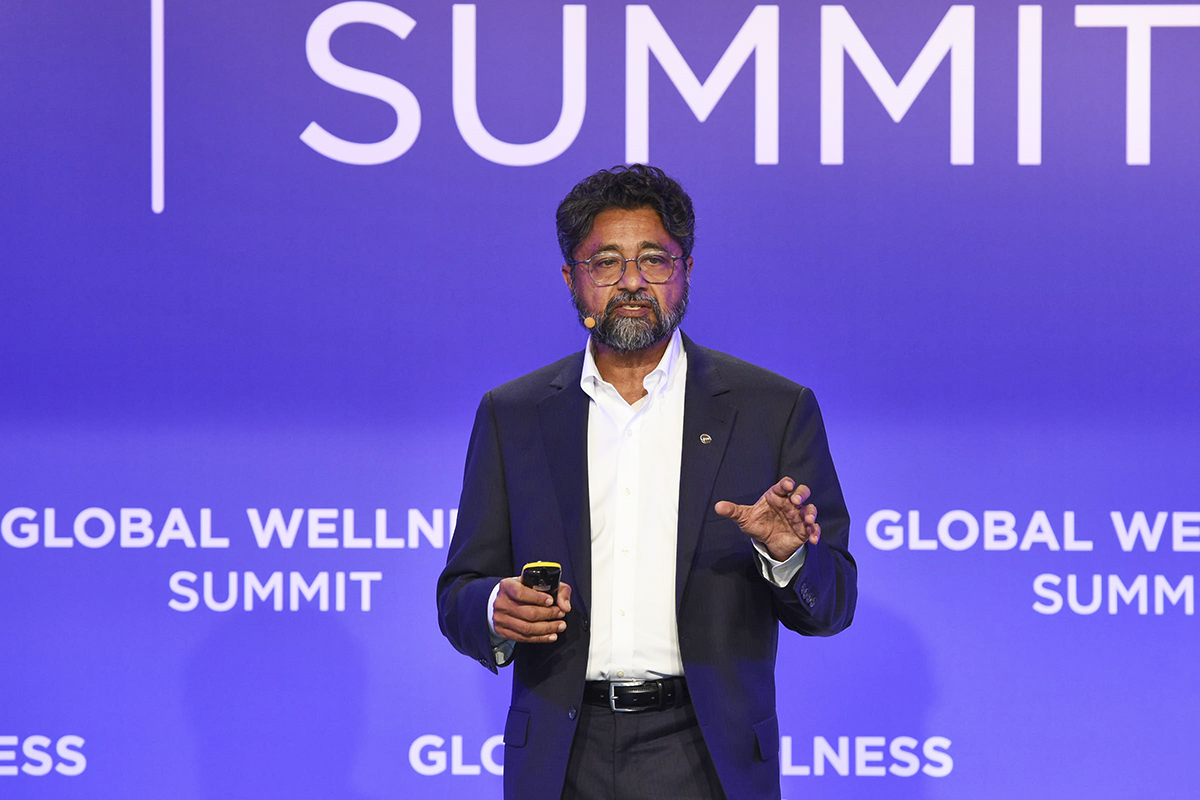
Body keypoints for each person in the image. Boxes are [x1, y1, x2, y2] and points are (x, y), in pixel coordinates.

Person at [437, 164, 856, 800]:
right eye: (606, 262)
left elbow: (834, 605)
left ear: (686, 271)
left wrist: (789, 555)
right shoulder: (513, 414)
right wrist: (497, 606)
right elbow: (458, 595)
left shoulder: (773, 409)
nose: (632, 281)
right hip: (560, 756)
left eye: (654, 260)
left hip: (708, 755)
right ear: (572, 279)